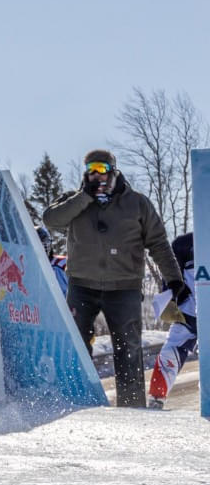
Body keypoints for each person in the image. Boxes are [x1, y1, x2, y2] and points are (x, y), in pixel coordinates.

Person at [43, 149, 186, 407]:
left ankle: (131, 409)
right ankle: (78, 404)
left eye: (101, 168)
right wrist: (84, 197)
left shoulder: (137, 203)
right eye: (91, 169)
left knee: (128, 350)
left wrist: (174, 279)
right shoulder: (74, 201)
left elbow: (158, 243)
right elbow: (52, 220)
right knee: (76, 346)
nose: (96, 174)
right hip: (81, 287)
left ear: (113, 170)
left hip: (124, 288)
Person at [148, 232, 197, 410]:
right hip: (191, 311)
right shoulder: (184, 243)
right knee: (171, 350)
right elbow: (169, 272)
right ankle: (156, 397)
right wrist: (173, 294)